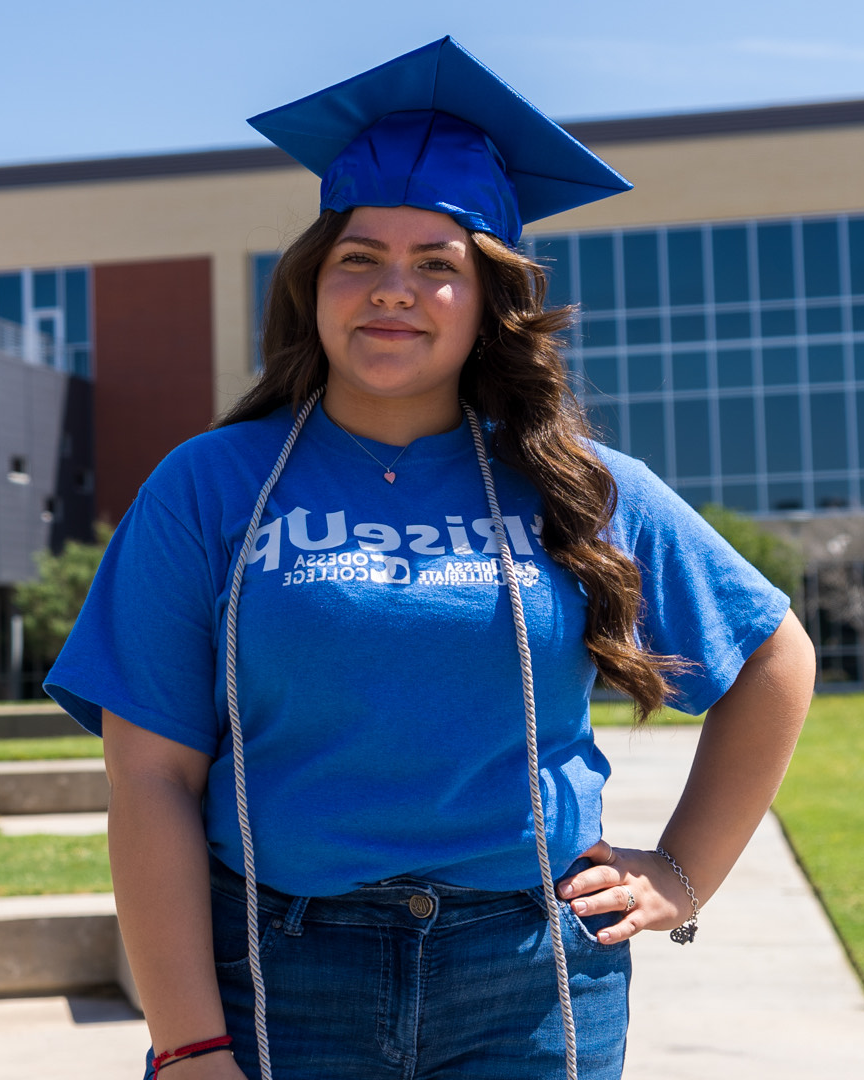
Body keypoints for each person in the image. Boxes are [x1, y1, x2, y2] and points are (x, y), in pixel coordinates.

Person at [45, 37, 815, 1080]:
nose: (391, 290)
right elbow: (148, 776)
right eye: (360, 258)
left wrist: (683, 872)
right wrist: (188, 1043)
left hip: (529, 975)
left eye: (436, 265)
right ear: (315, 284)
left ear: (488, 298)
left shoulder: (579, 484)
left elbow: (773, 657)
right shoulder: (214, 485)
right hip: (281, 972)